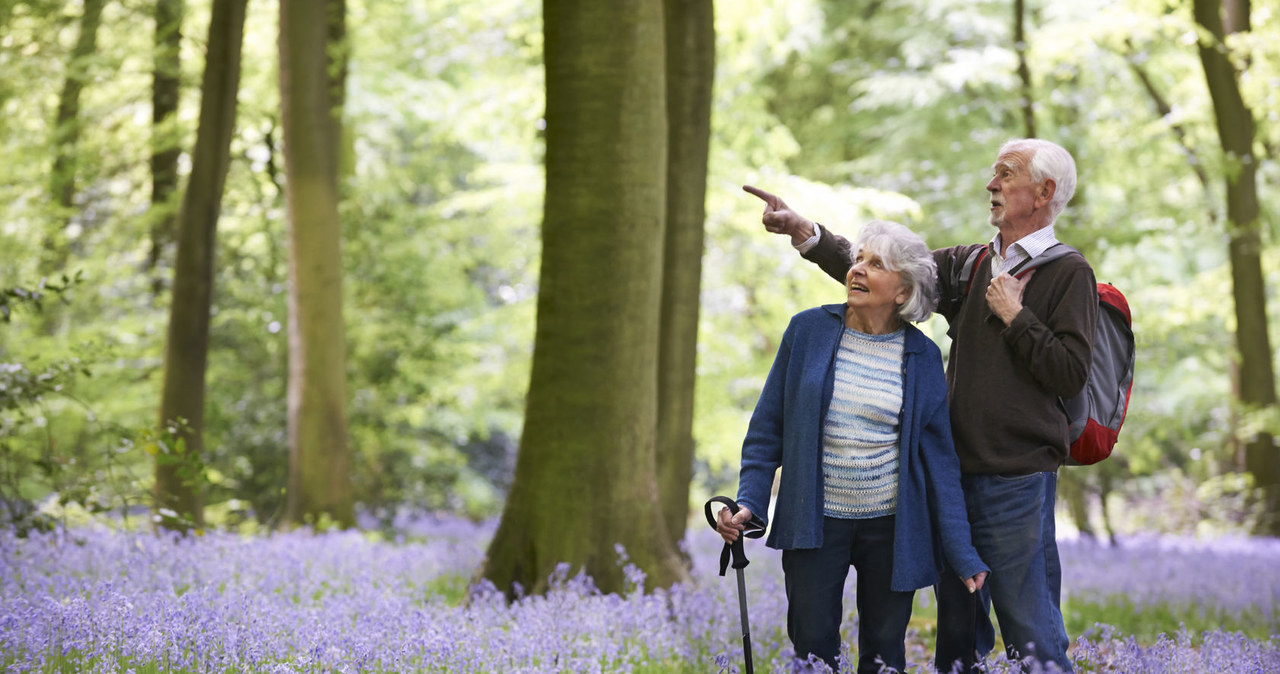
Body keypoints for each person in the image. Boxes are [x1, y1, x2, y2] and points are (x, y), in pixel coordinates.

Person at [745, 138, 1097, 673]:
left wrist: (1016, 317)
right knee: (958, 636)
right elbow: (891, 275)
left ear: (1044, 191)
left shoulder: (1068, 272)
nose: (991, 184)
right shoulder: (972, 264)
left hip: (1015, 480)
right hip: (946, 480)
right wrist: (807, 235)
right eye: (993, 173)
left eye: (1006, 174)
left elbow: (1070, 373)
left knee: (1030, 628)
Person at [716, 219, 989, 674]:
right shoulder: (807, 332)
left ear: (903, 291)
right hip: (814, 521)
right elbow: (767, 430)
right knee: (812, 646)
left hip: (892, 528)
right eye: (858, 259)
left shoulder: (921, 357)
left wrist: (961, 552)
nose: (857, 269)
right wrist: (749, 502)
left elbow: (940, 464)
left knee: (884, 654)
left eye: (875, 264)